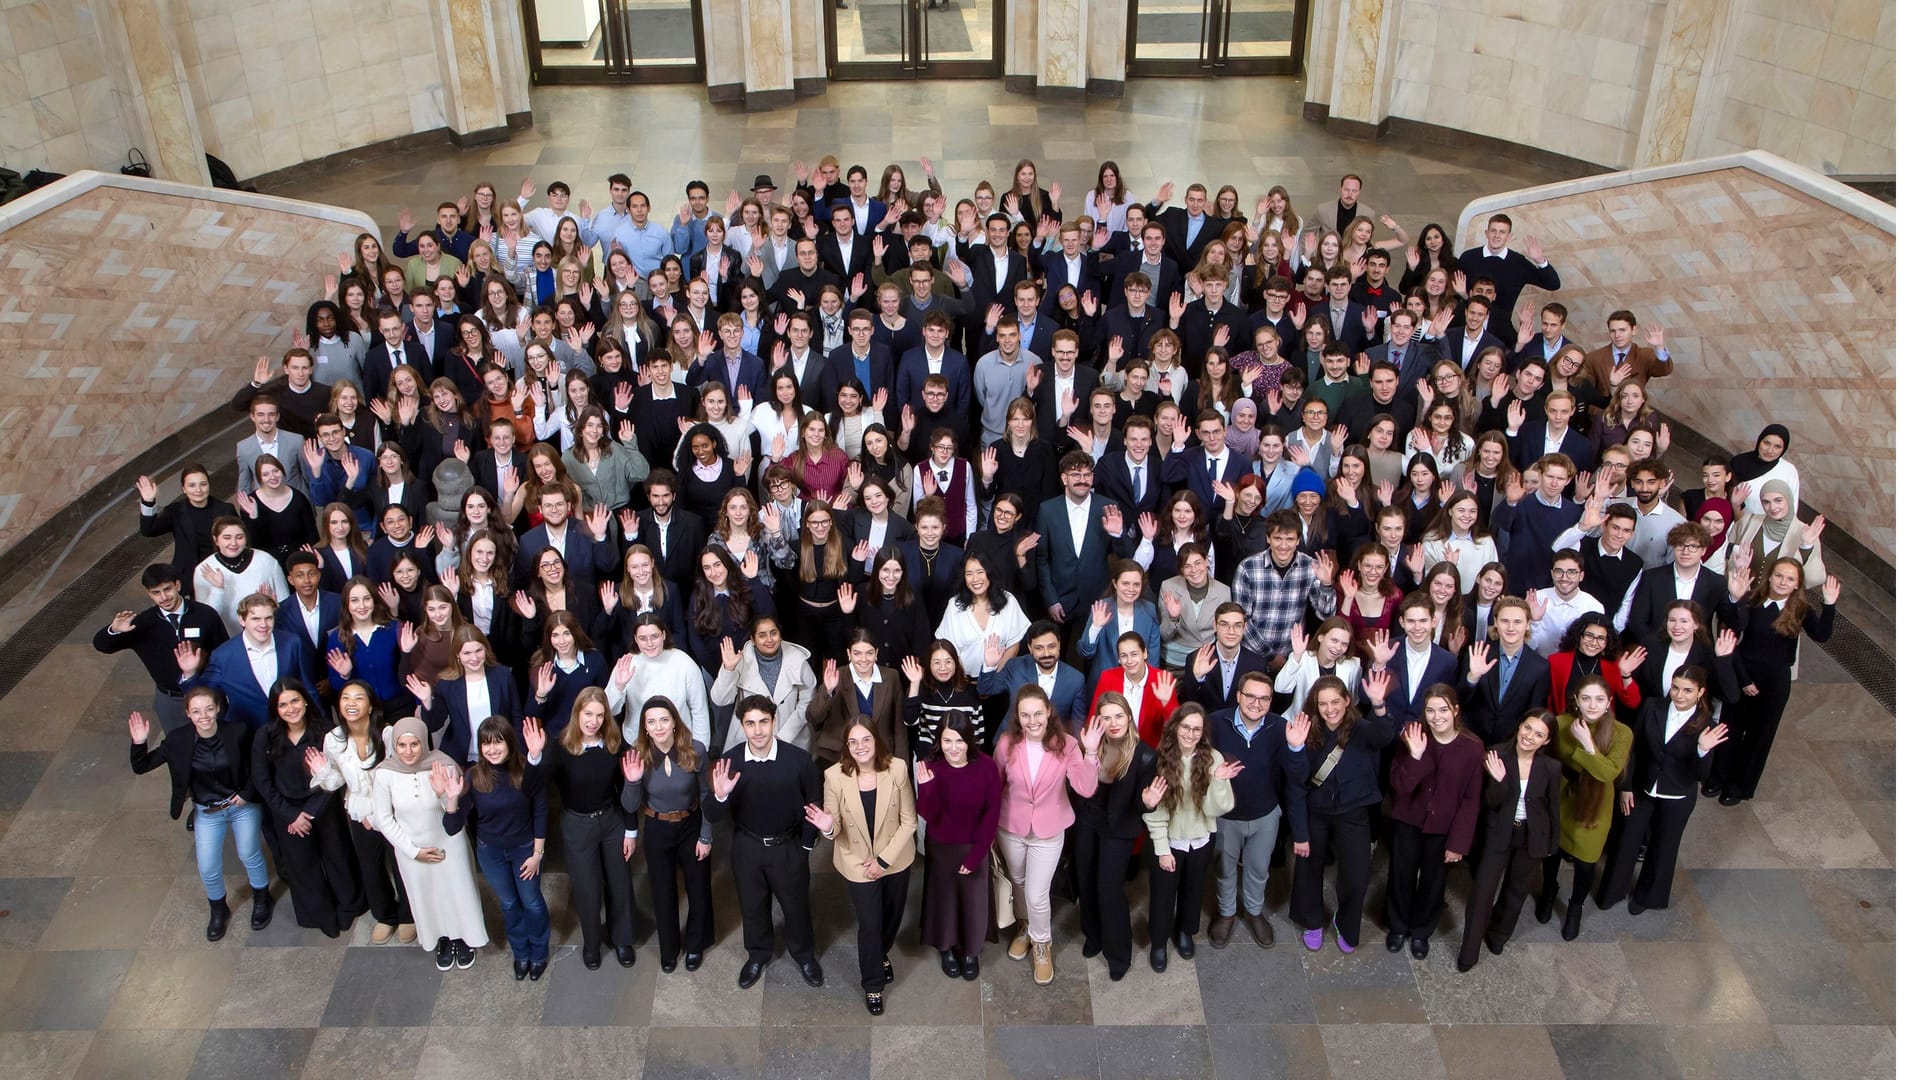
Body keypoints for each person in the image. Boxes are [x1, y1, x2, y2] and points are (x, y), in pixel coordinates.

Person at [126, 691, 274, 941]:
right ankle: (218, 908)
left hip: (240, 804)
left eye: (208, 709)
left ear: (218, 709)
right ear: (188, 714)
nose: (203, 716)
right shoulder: (177, 740)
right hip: (208, 811)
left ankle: (262, 896)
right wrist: (139, 742)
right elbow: (142, 766)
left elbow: (259, 765)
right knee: (207, 866)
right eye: (196, 711)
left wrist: (247, 793)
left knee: (248, 852)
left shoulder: (237, 731)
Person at [704, 694, 827, 990]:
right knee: (752, 907)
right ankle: (758, 954)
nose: (757, 730)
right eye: (750, 724)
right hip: (747, 847)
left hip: (788, 847)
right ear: (742, 726)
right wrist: (720, 795)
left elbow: (815, 804)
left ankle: (804, 955)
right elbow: (711, 813)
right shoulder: (729, 762)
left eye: (763, 722)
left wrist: (806, 846)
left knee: (796, 906)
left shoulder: (798, 761)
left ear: (774, 722)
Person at [1594, 668, 1731, 914]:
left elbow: (1701, 776)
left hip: (1677, 796)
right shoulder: (1652, 706)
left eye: (1688, 690)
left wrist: (1702, 750)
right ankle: (1612, 892)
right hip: (1643, 788)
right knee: (1626, 840)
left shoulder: (1707, 726)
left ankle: (1648, 897)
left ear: (1700, 692)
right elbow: (1633, 749)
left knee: (1664, 848)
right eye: (1676, 687)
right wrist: (1626, 786)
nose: (1679, 695)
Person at [995, 685, 1101, 986]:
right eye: (1025, 714)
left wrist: (1091, 752)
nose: (1032, 720)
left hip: (1048, 829)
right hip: (1011, 827)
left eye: (1038, 713)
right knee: (1018, 882)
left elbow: (1084, 788)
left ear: (1048, 712)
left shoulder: (1066, 745)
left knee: (1037, 893)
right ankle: (1025, 928)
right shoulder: (1006, 743)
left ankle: (1042, 945)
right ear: (1017, 716)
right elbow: (995, 784)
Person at [1282, 672, 1395, 952]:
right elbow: (1296, 782)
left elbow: (1384, 736)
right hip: (1315, 812)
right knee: (1308, 868)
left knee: (1357, 874)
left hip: (1353, 812)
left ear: (1347, 701)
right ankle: (1311, 921)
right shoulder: (1306, 730)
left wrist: (1380, 706)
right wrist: (1295, 748)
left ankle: (1345, 922)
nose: (1330, 709)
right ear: (1315, 706)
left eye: (1335, 701)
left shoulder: (1362, 729)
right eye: (1323, 704)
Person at [1710, 562, 1838, 805]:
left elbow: (1821, 635)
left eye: (1790, 579)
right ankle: (1717, 778)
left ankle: (1739, 787)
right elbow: (1731, 637)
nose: (1782, 582)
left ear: (1797, 584)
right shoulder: (1751, 601)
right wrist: (1745, 680)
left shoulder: (1800, 610)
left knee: (1759, 736)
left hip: (1774, 681)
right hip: (1742, 672)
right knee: (1730, 728)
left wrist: (1829, 605)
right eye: (1779, 575)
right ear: (1769, 577)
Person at [812, 719, 916, 1015]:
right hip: (856, 862)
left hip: (894, 859)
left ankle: (882, 954)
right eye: (853, 742)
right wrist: (827, 827)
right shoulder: (834, 776)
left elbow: (909, 821)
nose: (860, 747)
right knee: (870, 925)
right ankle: (873, 985)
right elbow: (836, 828)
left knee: (892, 917)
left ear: (876, 740)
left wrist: (883, 861)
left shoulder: (896, 769)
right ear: (846, 746)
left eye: (866, 740)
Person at [372, 716, 490, 970]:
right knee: (427, 896)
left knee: (457, 890)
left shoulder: (442, 765)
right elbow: (383, 819)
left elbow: (452, 811)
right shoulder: (385, 774)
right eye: (402, 745)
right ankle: (443, 939)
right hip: (412, 850)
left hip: (448, 843)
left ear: (423, 742)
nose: (408, 751)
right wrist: (414, 851)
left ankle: (463, 937)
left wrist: (443, 794)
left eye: (414, 744)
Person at [533, 687, 638, 969]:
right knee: (587, 887)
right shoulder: (560, 747)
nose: (593, 721)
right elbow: (535, 787)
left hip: (612, 820)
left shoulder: (615, 746)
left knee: (619, 882)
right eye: (588, 714)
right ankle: (592, 943)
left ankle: (622, 939)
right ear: (577, 713)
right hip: (577, 824)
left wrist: (631, 830)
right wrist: (534, 757)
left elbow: (627, 790)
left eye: (600, 715)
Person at [441, 716, 552, 980]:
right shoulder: (474, 776)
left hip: (525, 849)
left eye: (497, 742)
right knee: (509, 903)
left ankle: (538, 953)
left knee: (532, 902)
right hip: (491, 852)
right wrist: (452, 798)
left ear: (510, 743)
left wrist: (537, 854)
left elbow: (541, 812)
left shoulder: (526, 771)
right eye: (485, 744)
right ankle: (520, 954)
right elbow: (452, 827)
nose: (492, 749)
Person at [253, 680, 364, 938]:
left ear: (304, 700)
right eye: (283, 704)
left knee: (338, 855)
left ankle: (350, 905)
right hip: (287, 812)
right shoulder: (265, 735)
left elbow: (337, 776)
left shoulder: (328, 731)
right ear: (275, 709)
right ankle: (320, 914)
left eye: (294, 701)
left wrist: (311, 811)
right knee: (302, 865)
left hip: (323, 806)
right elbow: (262, 780)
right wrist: (292, 815)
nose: (290, 708)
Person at [1455, 709, 1561, 972]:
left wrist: (1552, 843)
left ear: (1546, 741)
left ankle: (1498, 934)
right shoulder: (1496, 755)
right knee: (1482, 892)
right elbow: (1489, 802)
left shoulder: (1550, 767)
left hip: (1531, 836)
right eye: (1527, 728)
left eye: (1539, 734)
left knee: (1516, 891)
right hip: (1498, 832)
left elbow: (1553, 808)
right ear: (1520, 726)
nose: (1529, 736)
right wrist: (1500, 780)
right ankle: (1469, 952)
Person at [309, 680, 413, 946]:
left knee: (401, 861)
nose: (351, 703)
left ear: (370, 706)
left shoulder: (388, 734)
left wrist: (379, 813)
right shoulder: (332, 740)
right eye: (346, 698)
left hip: (391, 807)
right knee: (370, 865)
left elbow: (400, 773)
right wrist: (322, 772)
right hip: (358, 809)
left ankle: (408, 915)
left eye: (358, 698)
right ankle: (385, 915)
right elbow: (335, 782)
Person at [1383, 686, 1483, 959]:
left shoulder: (1473, 748)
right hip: (1408, 820)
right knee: (1400, 876)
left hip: (1443, 828)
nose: (1436, 717)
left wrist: (1458, 843)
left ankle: (1420, 932)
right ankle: (1398, 926)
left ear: (1455, 711)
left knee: (1433, 882)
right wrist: (1415, 756)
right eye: (1430, 711)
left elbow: (1471, 800)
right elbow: (1399, 786)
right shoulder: (1411, 737)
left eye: (1442, 710)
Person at [619, 697, 715, 974]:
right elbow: (628, 806)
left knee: (698, 888)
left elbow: (707, 795)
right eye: (651, 721)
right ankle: (669, 950)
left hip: (691, 823)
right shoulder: (638, 756)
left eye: (664, 719)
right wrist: (633, 781)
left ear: (674, 722)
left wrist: (706, 836)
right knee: (662, 891)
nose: (658, 726)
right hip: (657, 827)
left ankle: (696, 945)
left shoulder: (695, 750)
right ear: (645, 728)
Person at [1144, 702, 1239, 971]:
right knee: (1163, 895)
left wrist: (1219, 781)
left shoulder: (1214, 759)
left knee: (1193, 890)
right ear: (1175, 727)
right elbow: (1155, 813)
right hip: (1170, 842)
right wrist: (1163, 850)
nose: (1190, 734)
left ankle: (1185, 931)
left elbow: (1215, 809)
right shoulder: (1159, 760)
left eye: (1197, 729)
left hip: (1200, 840)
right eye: (1186, 727)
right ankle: (1159, 942)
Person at [1536, 675, 1632, 941]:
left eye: (1599, 699)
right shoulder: (1560, 723)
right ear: (1576, 700)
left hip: (1596, 804)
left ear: (1609, 703)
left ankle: (1575, 907)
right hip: (1563, 798)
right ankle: (1548, 891)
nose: (1592, 705)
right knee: (1552, 853)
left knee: (1586, 863)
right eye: (1586, 698)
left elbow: (1608, 773)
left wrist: (1588, 745)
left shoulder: (1622, 732)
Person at [1073, 692, 1157, 981]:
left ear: (1129, 716)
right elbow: (1081, 787)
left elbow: (1141, 805)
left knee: (1108, 890)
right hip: (1089, 820)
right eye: (1106, 717)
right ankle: (1093, 936)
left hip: (1119, 828)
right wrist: (1090, 753)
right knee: (1085, 880)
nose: (1113, 723)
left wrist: (1148, 802)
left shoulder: (1145, 754)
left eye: (1118, 716)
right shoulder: (1092, 744)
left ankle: (1117, 953)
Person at [915, 715, 1001, 982]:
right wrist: (927, 788)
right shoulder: (930, 767)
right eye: (947, 740)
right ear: (939, 741)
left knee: (973, 901)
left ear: (969, 741)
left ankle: (971, 952)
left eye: (959, 741)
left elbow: (992, 814)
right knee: (944, 900)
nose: (953, 747)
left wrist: (977, 855)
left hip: (974, 845)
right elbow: (928, 814)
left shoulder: (987, 767)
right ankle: (947, 948)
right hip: (941, 847)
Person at [96, 564, 229, 734]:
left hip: (207, 693)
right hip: (171, 700)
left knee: (221, 741)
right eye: (156, 593)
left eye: (168, 589)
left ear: (178, 585)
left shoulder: (205, 614)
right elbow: (102, 646)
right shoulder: (142, 623)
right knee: (180, 749)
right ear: (148, 593)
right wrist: (113, 630)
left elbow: (223, 654)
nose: (164, 597)